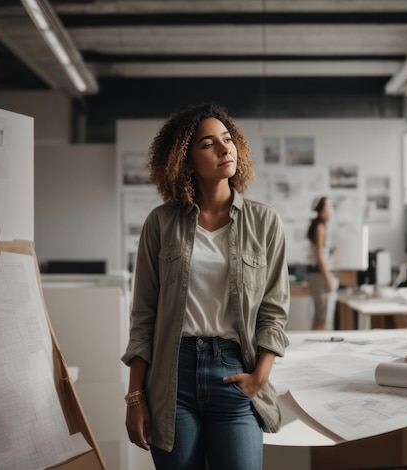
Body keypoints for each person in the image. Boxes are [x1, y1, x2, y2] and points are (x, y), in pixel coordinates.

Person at [121, 102, 290, 470]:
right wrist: (135, 397)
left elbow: (274, 309)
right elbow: (143, 316)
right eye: (208, 144)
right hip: (171, 379)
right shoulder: (161, 223)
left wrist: (261, 375)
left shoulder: (265, 222)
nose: (224, 148)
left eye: (227, 139)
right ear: (184, 160)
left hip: (233, 372)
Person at [306, 196, 339, 330]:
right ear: (322, 209)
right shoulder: (320, 227)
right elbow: (319, 256)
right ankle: (316, 348)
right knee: (322, 317)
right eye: (329, 207)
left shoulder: (319, 226)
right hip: (320, 275)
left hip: (317, 274)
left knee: (321, 316)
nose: (331, 210)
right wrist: (328, 279)